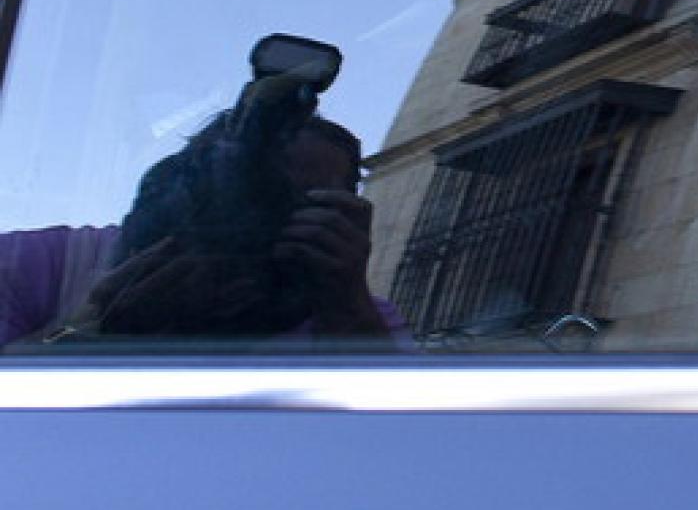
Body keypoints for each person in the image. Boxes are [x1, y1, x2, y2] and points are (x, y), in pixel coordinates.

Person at [1, 110, 408, 350]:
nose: (260, 217)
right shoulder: (41, 266)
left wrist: (346, 309)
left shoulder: (349, 314)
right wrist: (95, 328)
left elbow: (396, 449)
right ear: (181, 181)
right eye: (251, 187)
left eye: (302, 201)